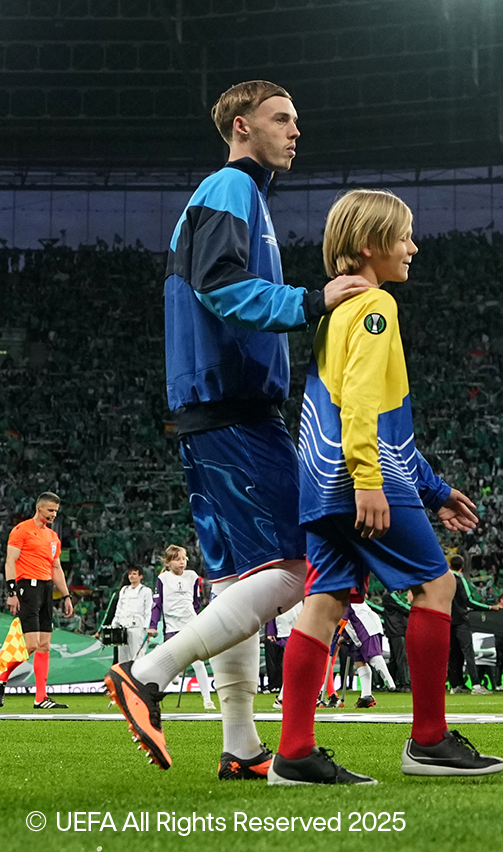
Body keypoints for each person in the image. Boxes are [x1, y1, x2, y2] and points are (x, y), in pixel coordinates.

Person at [105, 80, 369, 778]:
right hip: (233, 406)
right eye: (283, 118)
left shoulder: (232, 196)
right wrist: (313, 299)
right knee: (300, 564)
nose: (295, 130)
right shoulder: (230, 190)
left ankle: (244, 747)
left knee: (236, 585)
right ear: (242, 125)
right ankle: (149, 673)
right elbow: (219, 283)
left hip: (213, 407)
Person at [269, 188, 503, 784]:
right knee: (437, 585)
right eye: (403, 236)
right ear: (370, 246)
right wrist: (370, 482)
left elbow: (366, 412)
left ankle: (294, 751)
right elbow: (363, 407)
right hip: (361, 481)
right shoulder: (376, 308)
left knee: (322, 607)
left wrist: (434, 489)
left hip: (320, 485)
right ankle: (428, 741)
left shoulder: (335, 314)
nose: (413, 246)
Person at [2, 492, 74, 709]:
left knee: (44, 646)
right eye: (50, 510)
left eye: (56, 511)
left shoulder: (53, 537)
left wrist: (66, 595)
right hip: (27, 589)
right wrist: (12, 592)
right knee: (31, 645)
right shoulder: (21, 530)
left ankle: (41, 698)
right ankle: (2, 673)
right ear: (39, 508)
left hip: (46, 589)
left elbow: (56, 568)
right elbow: (10, 562)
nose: (53, 514)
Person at [147, 546, 215, 710]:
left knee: (198, 663)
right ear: (168, 562)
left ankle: (207, 699)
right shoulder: (163, 578)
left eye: (184, 558)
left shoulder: (192, 576)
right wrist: (153, 626)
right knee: (169, 663)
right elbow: (157, 604)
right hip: (172, 626)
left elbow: (196, 601)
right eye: (178, 559)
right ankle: (154, 698)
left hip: (190, 624)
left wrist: (195, 619)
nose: (182, 562)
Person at [448, 554, 495, 695]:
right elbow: (468, 601)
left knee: (454, 655)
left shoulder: (444, 580)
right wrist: (489, 608)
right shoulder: (460, 580)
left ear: (450, 565)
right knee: (468, 652)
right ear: (462, 567)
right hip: (461, 620)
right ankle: (476, 685)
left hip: (449, 620)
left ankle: (455, 685)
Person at [100, 566, 153, 666]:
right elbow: (119, 609)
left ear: (140, 576)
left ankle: (138, 678)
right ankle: (124, 678)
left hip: (137, 625)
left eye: (134, 574)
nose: (131, 576)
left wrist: (147, 628)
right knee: (122, 656)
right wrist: (114, 625)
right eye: (130, 574)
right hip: (122, 625)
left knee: (137, 655)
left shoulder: (146, 591)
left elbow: (148, 611)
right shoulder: (124, 590)